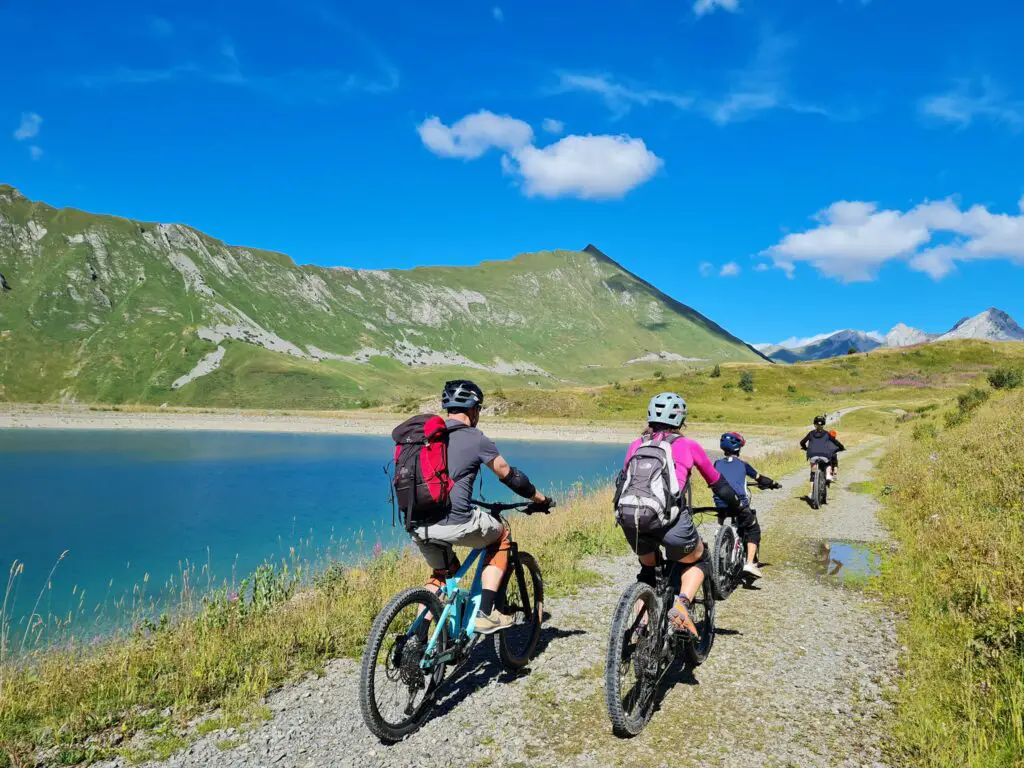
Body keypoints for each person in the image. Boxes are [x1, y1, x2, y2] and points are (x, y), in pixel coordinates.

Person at [409, 380, 551, 635]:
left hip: (418, 525)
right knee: (501, 536)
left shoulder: (426, 437)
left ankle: (416, 640)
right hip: (456, 523)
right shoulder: (475, 438)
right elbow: (509, 475)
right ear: (473, 409)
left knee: (442, 574)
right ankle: (486, 612)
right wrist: (540, 499)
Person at [616, 392, 749, 638]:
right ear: (680, 420)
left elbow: (624, 482)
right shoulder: (688, 445)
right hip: (670, 522)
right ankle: (682, 605)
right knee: (699, 558)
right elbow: (718, 483)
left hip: (633, 520)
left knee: (648, 573)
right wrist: (739, 507)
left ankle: (640, 629)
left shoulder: (636, 445)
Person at [713, 432, 779, 580]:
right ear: (738, 449)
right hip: (738, 503)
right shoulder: (743, 465)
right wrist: (773, 484)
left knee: (722, 504)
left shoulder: (717, 463)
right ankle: (749, 563)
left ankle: (719, 529)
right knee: (753, 527)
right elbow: (759, 478)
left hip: (720, 504)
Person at [799, 415, 845, 489]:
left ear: (814, 424)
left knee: (813, 473)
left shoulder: (811, 433)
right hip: (825, 455)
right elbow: (835, 441)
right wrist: (841, 447)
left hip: (813, 455)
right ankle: (828, 475)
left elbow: (802, 442)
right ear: (823, 425)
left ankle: (811, 492)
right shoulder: (827, 433)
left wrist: (806, 448)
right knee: (828, 463)